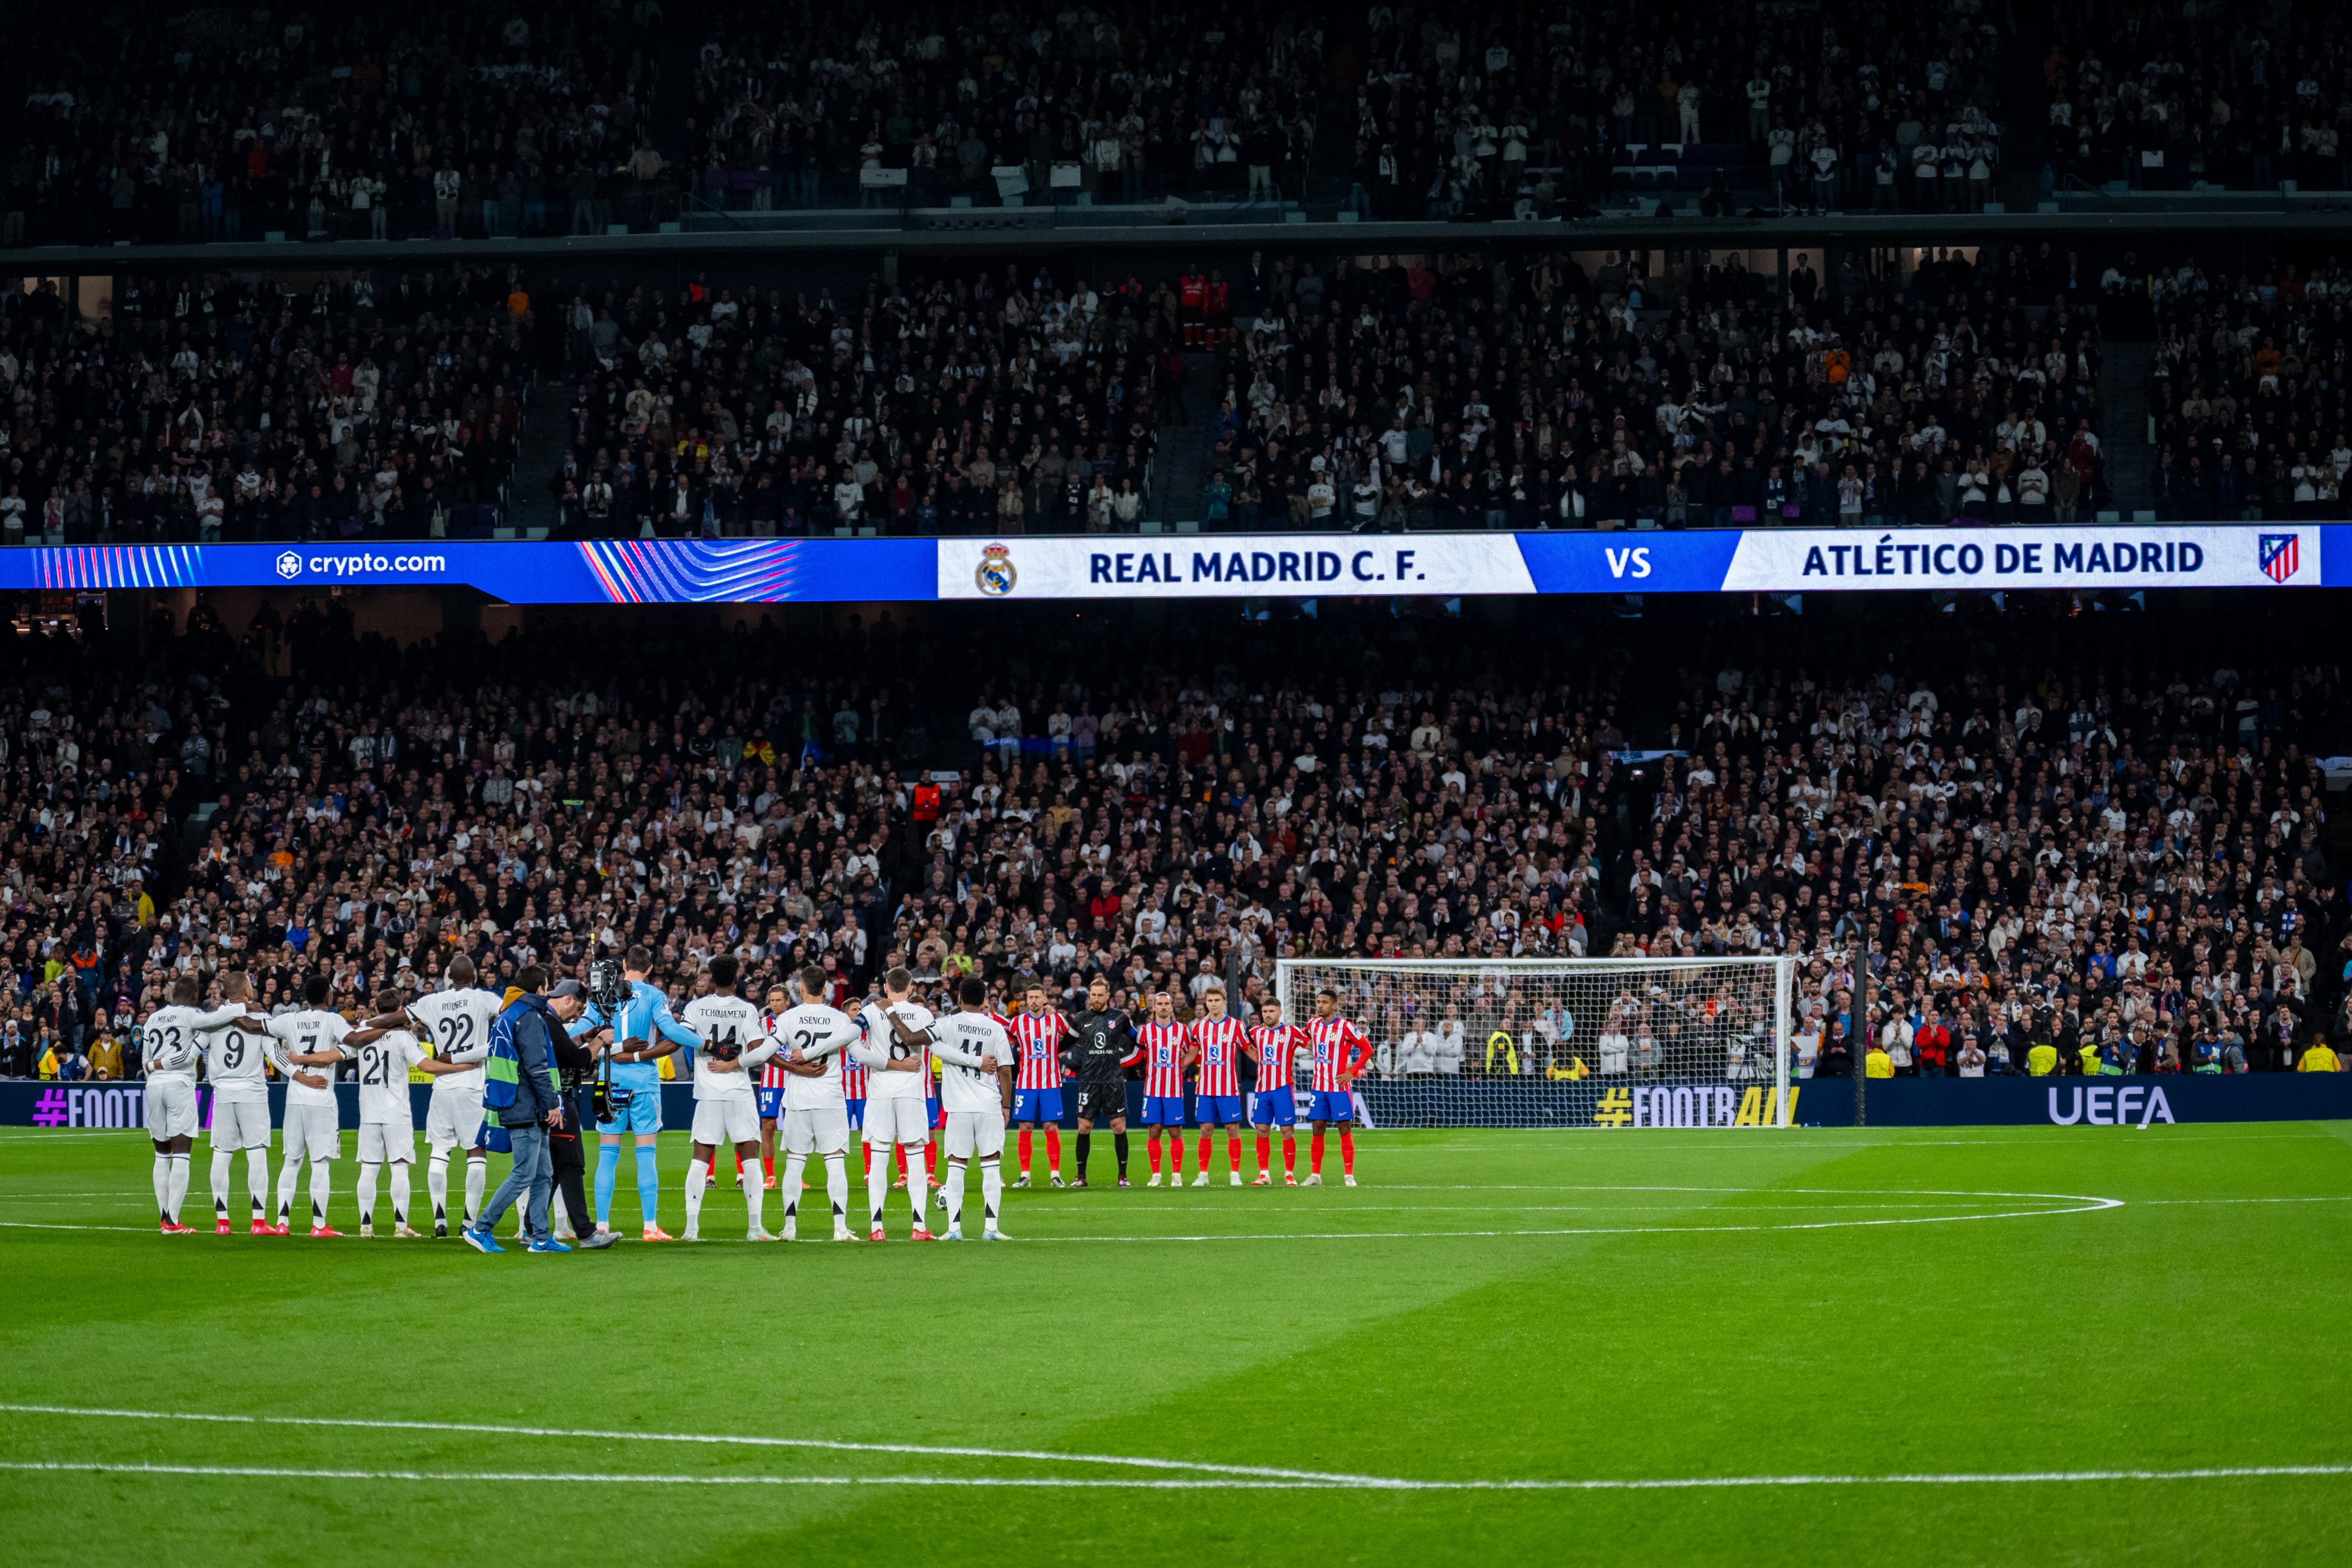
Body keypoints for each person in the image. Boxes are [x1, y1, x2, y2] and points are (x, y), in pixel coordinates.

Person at [569, 945, 700, 1242]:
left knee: (607, 1155)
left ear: (625, 964)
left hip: (610, 1081)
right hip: (644, 1082)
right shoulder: (654, 995)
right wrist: (704, 1044)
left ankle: (601, 1224)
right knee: (646, 1155)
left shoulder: (604, 995)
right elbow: (671, 1031)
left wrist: (553, 1034)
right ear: (651, 969)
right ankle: (650, 1226)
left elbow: (581, 1028)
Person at [376, 955, 503, 1238]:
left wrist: (367, 1024)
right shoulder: (484, 999)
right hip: (473, 1084)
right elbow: (508, 1011)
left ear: (448, 977)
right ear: (475, 976)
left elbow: (396, 1018)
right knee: (476, 1150)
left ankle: (439, 1220)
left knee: (439, 1150)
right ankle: (469, 1222)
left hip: (442, 1085)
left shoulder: (431, 1002)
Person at [139, 980, 269, 1235]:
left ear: (172, 993)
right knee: (182, 1154)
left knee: (161, 1155)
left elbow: (145, 1060)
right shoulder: (192, 1015)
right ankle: (173, 1221)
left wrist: (153, 1069)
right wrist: (247, 1005)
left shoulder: (153, 1018)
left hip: (153, 1086)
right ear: (196, 996)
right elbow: (218, 1023)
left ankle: (164, 1217)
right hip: (179, 1084)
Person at [466, 966, 580, 1254]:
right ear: (540, 990)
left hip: (517, 1101)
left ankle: (541, 1237)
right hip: (525, 1104)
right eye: (547, 986)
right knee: (524, 1174)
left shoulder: (508, 1014)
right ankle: (481, 1228)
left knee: (543, 1174)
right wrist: (552, 1103)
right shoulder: (529, 1017)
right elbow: (536, 1067)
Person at [345, 987, 472, 1238]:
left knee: (369, 1169)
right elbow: (426, 1066)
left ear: (377, 1011)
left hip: (368, 1111)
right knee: (399, 1168)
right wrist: (462, 1067)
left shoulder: (361, 1035)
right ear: (399, 1012)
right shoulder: (403, 1037)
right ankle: (401, 1227)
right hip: (396, 1112)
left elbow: (343, 1050)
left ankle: (366, 1226)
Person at [679, 955, 781, 1242]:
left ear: (710, 978)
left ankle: (691, 1229)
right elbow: (759, 1051)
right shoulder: (747, 1010)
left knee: (700, 1160)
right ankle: (755, 1228)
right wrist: (734, 1064)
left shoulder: (696, 1007)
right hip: (739, 1092)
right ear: (737, 979)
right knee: (750, 1159)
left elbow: (681, 1038)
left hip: (708, 1093)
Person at [769, 963, 865, 1241]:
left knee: (795, 1163)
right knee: (835, 1162)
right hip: (830, 1099)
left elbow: (768, 1052)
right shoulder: (839, 1019)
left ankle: (789, 1228)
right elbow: (859, 1054)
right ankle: (840, 1229)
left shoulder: (788, 1018)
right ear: (826, 989)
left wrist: (795, 1068)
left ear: (799, 988)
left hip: (798, 1099)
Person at [852, 965, 939, 1241]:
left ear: (886, 988)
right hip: (912, 1093)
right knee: (915, 1160)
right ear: (911, 988)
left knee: (878, 1160)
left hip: (879, 1092)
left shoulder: (870, 1012)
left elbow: (856, 1050)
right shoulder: (924, 1013)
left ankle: (877, 1228)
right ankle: (919, 1227)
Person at [268, 977, 357, 1237]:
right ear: (329, 998)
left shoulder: (289, 1019)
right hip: (321, 1096)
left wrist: (292, 1060)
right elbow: (351, 1045)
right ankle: (319, 1225)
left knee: (292, 1161)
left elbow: (262, 1028)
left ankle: (282, 1222)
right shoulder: (334, 1020)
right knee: (320, 1164)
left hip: (295, 1097)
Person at [929, 974, 1016, 1240]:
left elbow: (930, 1045)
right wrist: (1006, 1105)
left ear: (959, 998)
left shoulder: (947, 1023)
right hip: (989, 1105)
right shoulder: (996, 1028)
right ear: (985, 1002)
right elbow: (1005, 1071)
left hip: (958, 1108)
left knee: (956, 1166)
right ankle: (991, 1229)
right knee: (991, 1167)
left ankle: (954, 1230)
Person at [195, 972, 280, 1233]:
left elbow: (193, 1050)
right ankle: (258, 1222)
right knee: (256, 1154)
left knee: (221, 1154)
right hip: (252, 1093)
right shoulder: (261, 1017)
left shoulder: (213, 1020)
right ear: (245, 990)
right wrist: (301, 1074)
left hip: (222, 1094)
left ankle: (222, 1222)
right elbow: (276, 1057)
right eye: (251, 984)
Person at [1061, 975, 1139, 1189]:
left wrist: (1151, 1051)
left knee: (1118, 1126)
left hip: (1113, 1080)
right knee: (1084, 1127)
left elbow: (1139, 1039)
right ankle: (1080, 1177)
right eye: (1093, 995)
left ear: (1107, 996)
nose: (1096, 999)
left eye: (1099, 995)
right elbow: (1064, 1043)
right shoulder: (1081, 1018)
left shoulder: (1120, 1018)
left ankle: (1122, 1176)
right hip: (1088, 1080)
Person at [1304, 988, 1372, 1186]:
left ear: (1335, 1006)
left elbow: (1368, 1049)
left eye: (1324, 1002)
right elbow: (1305, 1040)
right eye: (1318, 1002)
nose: (1319, 1005)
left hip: (1339, 1087)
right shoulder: (1313, 1024)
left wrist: (1352, 1072)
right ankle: (1315, 1175)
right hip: (1319, 1087)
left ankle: (1349, 1176)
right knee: (1318, 1128)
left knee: (1344, 1128)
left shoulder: (1346, 1027)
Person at [1008, 982, 1071, 1187]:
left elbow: (1074, 1035)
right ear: (1026, 1000)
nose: (1033, 1001)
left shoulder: (1056, 1019)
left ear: (1045, 999)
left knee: (1050, 1126)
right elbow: (1007, 1042)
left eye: (1037, 997)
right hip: (1026, 1083)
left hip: (1050, 1083)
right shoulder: (1018, 1022)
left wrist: (1057, 1049)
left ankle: (1055, 1174)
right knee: (1025, 1127)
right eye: (1030, 998)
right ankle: (1025, 1175)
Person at [1189, 984, 1247, 1186]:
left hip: (1228, 1087)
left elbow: (1249, 1050)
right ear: (1206, 1003)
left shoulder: (1236, 1026)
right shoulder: (1198, 1027)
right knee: (1205, 1129)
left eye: (1216, 1001)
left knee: (1233, 1129)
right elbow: (1192, 1053)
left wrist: (1267, 1066)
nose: (1213, 1004)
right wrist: (1173, 1067)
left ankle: (1235, 1174)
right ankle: (1203, 1175)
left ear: (1224, 1003)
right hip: (1205, 1088)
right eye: (1210, 1001)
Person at [1245, 997, 1304, 1185]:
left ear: (1280, 1013)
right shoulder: (1255, 1032)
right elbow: (1242, 1043)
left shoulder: (1291, 1032)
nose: (1268, 1015)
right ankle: (1264, 1174)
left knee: (1287, 1131)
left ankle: (1289, 1175)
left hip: (1283, 1089)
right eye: (1265, 1012)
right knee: (1262, 1131)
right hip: (1262, 1090)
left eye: (1271, 1011)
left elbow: (1312, 1044)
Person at [1138, 989, 1191, 1186]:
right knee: (1154, 1131)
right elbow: (1139, 1055)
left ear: (1171, 1007)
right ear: (1153, 1007)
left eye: (1166, 1004)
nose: (1163, 1007)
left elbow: (1192, 1053)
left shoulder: (1182, 1030)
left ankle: (1176, 1175)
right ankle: (1156, 1175)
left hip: (1174, 1091)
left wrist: (1178, 1066)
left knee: (1175, 1132)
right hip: (1152, 1091)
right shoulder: (1145, 1031)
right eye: (1159, 1004)